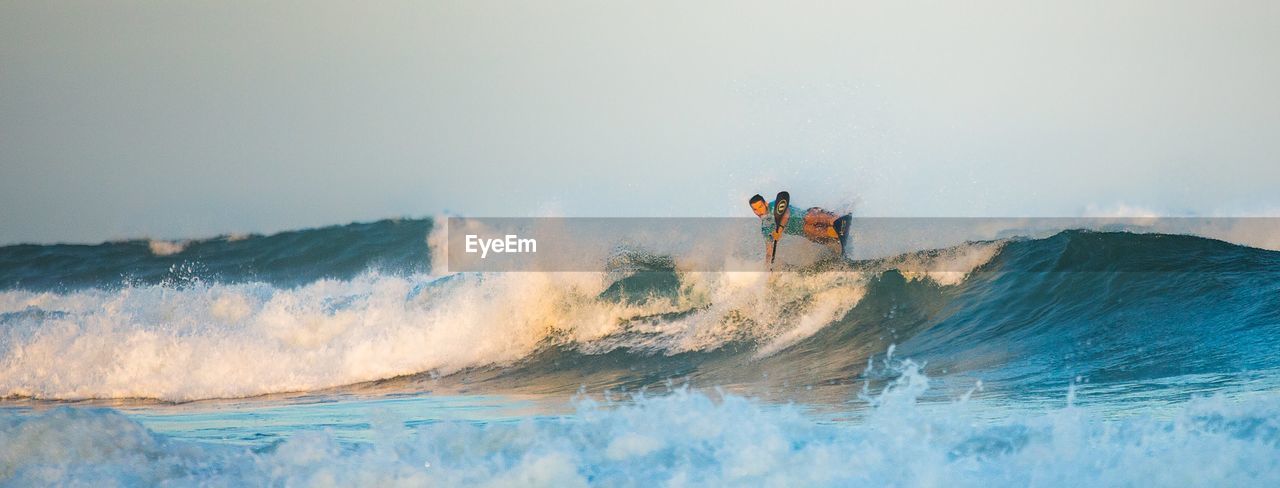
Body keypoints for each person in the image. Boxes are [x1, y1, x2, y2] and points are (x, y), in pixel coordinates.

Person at [749, 193, 851, 262]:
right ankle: (834, 237)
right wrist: (768, 268)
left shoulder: (774, 206)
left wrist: (779, 230)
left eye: (760, 207)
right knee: (808, 231)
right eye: (755, 209)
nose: (759, 211)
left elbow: (786, 213)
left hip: (812, 215)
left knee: (809, 218)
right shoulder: (766, 228)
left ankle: (836, 219)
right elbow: (769, 251)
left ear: (765, 203)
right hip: (808, 232)